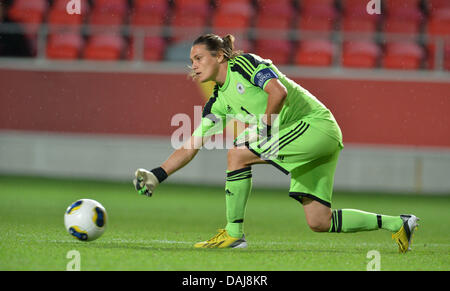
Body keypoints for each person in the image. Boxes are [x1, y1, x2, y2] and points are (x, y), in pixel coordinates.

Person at [133, 33, 419, 252]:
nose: (193, 65)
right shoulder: (217, 102)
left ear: (220, 55)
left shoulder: (244, 64)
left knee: (237, 153)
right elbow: (191, 145)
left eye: (198, 58)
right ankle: (398, 224)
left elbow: (278, 92)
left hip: (315, 126)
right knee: (319, 221)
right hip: (311, 137)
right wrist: (158, 174)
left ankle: (234, 234)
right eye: (192, 60)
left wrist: (266, 127)